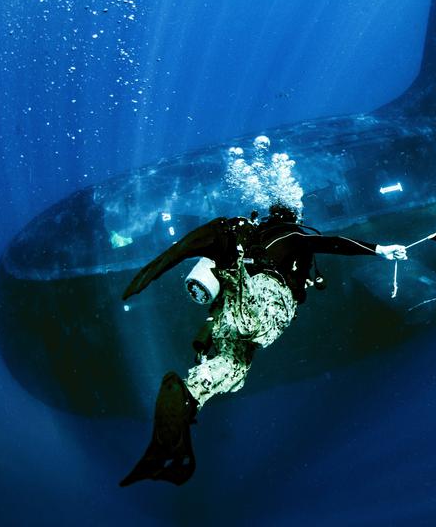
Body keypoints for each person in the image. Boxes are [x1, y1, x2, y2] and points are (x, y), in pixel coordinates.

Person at [119, 204, 407, 487]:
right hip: (267, 300)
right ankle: (226, 251)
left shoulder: (260, 239)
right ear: (294, 218)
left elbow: (220, 308)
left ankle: (188, 395)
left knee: (232, 369)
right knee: (255, 326)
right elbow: (331, 243)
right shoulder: (293, 235)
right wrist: (379, 249)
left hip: (226, 314)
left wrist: (205, 338)